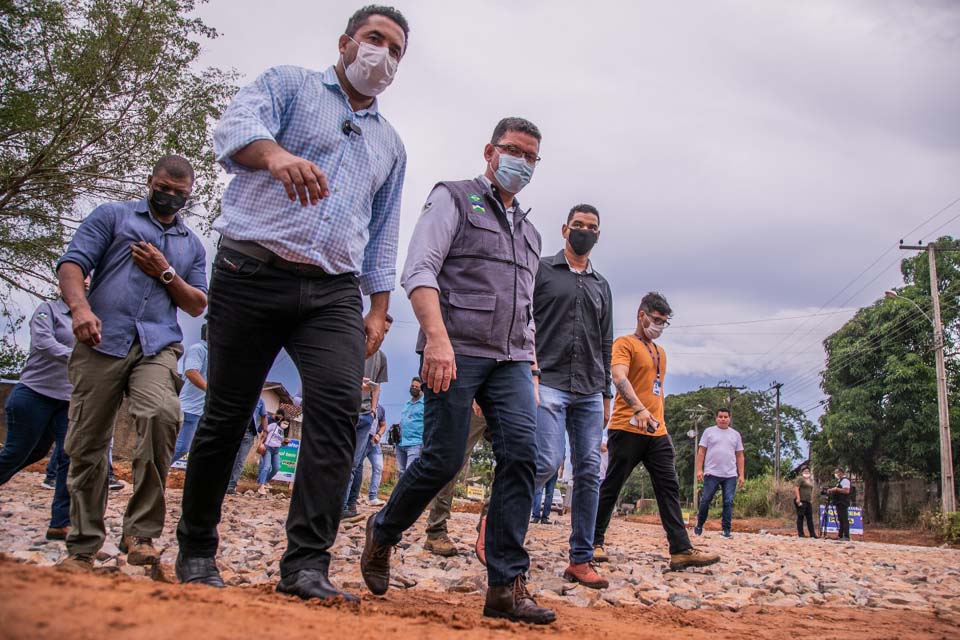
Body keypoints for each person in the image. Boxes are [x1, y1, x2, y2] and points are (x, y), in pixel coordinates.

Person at [175, 6, 409, 602]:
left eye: (396, 49)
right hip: (251, 269)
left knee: (336, 411)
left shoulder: (390, 144)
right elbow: (233, 130)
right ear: (346, 41)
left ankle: (306, 563)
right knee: (226, 413)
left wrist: (379, 310)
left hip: (333, 290)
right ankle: (197, 546)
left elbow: (382, 232)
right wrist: (275, 156)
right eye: (375, 39)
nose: (383, 54)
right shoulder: (289, 85)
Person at [361, 117, 556, 625]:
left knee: (524, 457)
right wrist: (438, 341)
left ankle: (505, 585)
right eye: (513, 150)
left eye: (531, 156)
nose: (522, 162)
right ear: (490, 151)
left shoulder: (531, 234)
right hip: (456, 350)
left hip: (512, 360)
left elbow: (527, 311)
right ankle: (383, 531)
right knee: (443, 459)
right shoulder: (454, 198)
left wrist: (532, 368)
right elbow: (419, 270)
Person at [56, 155, 208, 571]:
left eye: (181, 193)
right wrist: (80, 310)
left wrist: (165, 272)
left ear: (189, 195)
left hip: (157, 346)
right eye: (164, 188)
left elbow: (196, 303)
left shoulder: (191, 245)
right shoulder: (113, 217)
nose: (171, 197)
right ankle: (83, 545)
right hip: (101, 339)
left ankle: (140, 533)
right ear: (150, 182)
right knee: (87, 444)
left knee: (162, 414)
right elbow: (72, 264)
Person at [593, 293, 720, 572]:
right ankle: (593, 542)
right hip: (627, 426)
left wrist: (654, 418)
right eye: (656, 320)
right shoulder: (624, 344)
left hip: (656, 430)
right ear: (642, 315)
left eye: (664, 322)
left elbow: (657, 390)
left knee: (669, 487)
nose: (659, 326)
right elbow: (619, 377)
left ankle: (681, 549)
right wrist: (638, 409)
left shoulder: (661, 353)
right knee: (613, 485)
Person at [530, 203, 613, 590]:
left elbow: (606, 340)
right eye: (577, 225)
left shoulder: (602, 286)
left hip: (591, 390)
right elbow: (522, 320)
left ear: (599, 235)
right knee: (546, 460)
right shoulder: (542, 270)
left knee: (589, 475)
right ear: (565, 229)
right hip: (547, 380)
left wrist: (608, 394)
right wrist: (526, 371)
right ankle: (498, 526)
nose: (584, 231)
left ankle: (581, 559)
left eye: (591, 227)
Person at [0, 296, 75, 540]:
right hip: (34, 393)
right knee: (20, 452)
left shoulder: (97, 318)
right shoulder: (49, 310)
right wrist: (81, 356)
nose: (85, 281)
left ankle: (60, 523)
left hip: (68, 400)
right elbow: (44, 343)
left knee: (68, 455)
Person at [343, 317, 391, 519]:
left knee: (355, 463)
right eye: (381, 327)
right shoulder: (348, 347)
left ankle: (346, 506)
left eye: (387, 331)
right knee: (339, 459)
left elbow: (377, 386)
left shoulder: (381, 357)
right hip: (344, 410)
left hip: (365, 416)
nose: (382, 333)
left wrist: (372, 410)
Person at [693, 407, 745, 538]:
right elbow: (701, 452)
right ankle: (699, 524)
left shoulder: (735, 434)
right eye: (720, 417)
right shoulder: (709, 432)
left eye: (725, 417)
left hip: (730, 475)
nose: (723, 419)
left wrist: (741, 475)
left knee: (728, 501)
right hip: (712, 473)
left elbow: (740, 456)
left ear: (729, 419)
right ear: (716, 418)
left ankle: (726, 530)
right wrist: (699, 470)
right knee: (705, 500)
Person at [171, 323, 209, 466]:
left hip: (201, 411)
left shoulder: (213, 355)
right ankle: (155, 475)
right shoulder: (198, 349)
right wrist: (211, 392)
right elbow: (191, 372)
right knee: (181, 448)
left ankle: (157, 474)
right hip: (189, 409)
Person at [225, 397, 269, 494]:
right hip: (234, 430)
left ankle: (231, 486)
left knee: (240, 461)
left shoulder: (260, 400)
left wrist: (265, 430)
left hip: (249, 433)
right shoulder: (239, 394)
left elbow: (264, 416)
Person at [395, 377, 424, 476]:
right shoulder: (407, 404)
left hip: (415, 444)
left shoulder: (426, 404)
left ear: (422, 389)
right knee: (401, 472)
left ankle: (407, 492)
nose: (414, 388)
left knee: (409, 473)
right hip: (401, 443)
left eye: (417, 387)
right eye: (412, 386)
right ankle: (401, 492)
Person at [257, 417, 290, 494]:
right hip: (268, 448)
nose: (285, 425)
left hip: (276, 450)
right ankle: (261, 486)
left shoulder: (284, 432)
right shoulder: (273, 425)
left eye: (287, 424)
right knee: (267, 467)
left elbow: (282, 444)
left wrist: (286, 442)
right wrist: (261, 443)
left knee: (276, 467)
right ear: (281, 421)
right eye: (284, 423)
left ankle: (265, 481)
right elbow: (264, 432)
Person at [826, 467, 852, 541]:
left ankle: (846, 536)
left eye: (837, 472)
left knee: (844, 519)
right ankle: (840, 535)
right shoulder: (839, 481)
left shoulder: (845, 480)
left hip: (843, 502)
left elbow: (846, 491)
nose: (836, 474)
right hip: (838, 502)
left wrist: (836, 489)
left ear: (841, 472)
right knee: (840, 519)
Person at [794, 465, 817, 538]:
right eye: (805, 471)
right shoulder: (800, 479)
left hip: (808, 501)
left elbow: (811, 490)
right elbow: (796, 488)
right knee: (800, 516)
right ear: (802, 472)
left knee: (809, 518)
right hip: (801, 500)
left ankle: (812, 534)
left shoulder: (810, 480)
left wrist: (811, 498)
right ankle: (801, 534)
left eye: (808, 471)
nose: (806, 472)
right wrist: (798, 498)